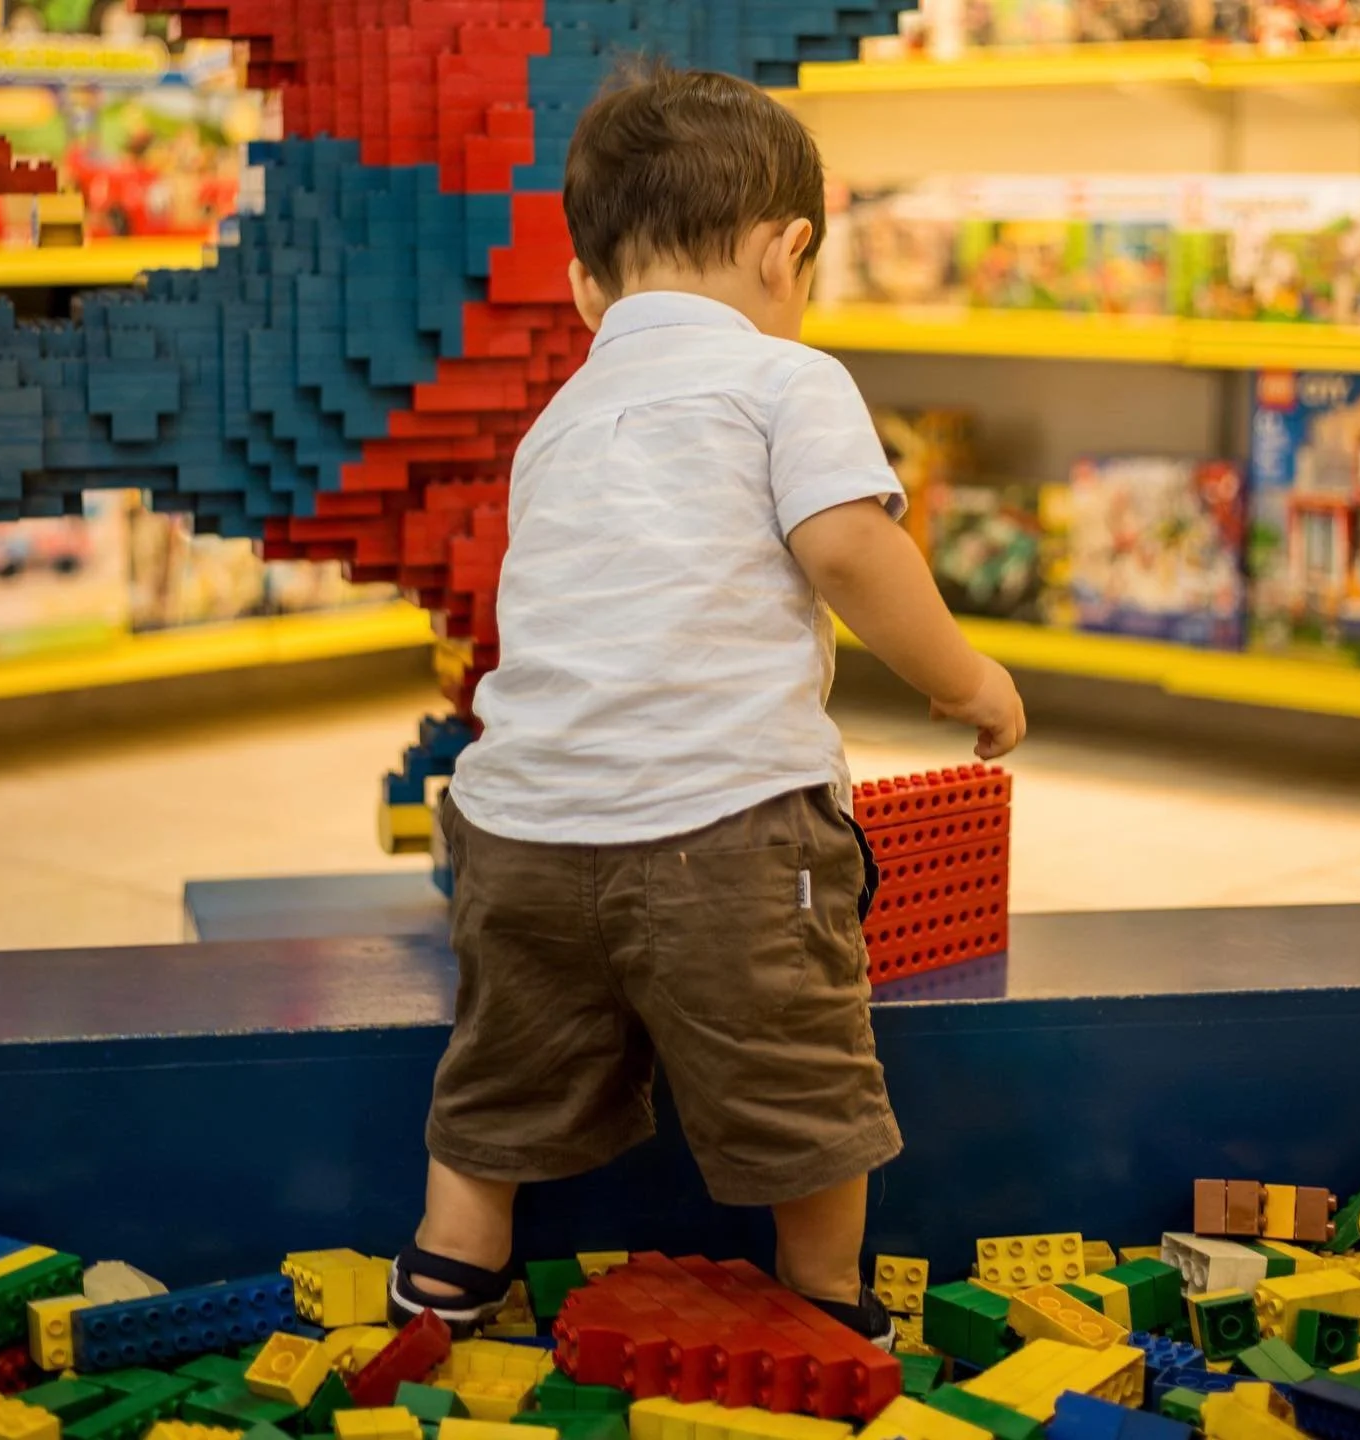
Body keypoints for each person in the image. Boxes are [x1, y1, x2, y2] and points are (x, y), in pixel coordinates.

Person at [389, 62, 1026, 1349]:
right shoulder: (789, 381)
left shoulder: (558, 420)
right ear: (787, 251)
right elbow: (851, 550)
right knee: (803, 1080)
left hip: (513, 836)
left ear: (586, 289)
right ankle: (825, 1297)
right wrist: (968, 677)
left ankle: (451, 1276)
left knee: (500, 1075)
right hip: (725, 834)